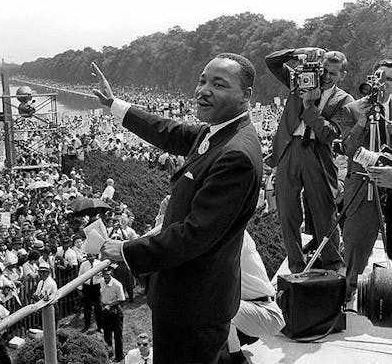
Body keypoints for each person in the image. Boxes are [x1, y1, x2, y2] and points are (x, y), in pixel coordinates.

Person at [93, 52, 262, 364]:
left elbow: (194, 235)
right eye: (202, 81)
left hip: (195, 304)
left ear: (245, 96)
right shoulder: (218, 131)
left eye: (219, 84)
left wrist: (127, 250)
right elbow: (167, 131)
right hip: (188, 296)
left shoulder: (235, 154)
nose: (204, 90)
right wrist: (115, 105)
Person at [265, 47, 353, 273]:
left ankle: (333, 264)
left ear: (342, 75)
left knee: (324, 210)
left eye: (332, 74)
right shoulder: (299, 81)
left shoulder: (344, 100)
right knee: (287, 211)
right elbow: (271, 61)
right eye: (324, 70)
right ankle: (296, 265)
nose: (325, 76)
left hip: (317, 153)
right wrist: (297, 52)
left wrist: (308, 107)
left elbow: (329, 134)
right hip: (289, 149)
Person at [338, 59, 392, 302]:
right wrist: (362, 122)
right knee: (356, 242)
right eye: (381, 78)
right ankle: (348, 291)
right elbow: (347, 148)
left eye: (390, 80)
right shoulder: (353, 109)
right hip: (362, 186)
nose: (385, 84)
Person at [228, 231, 285, 363]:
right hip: (250, 308)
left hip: (266, 312)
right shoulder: (230, 229)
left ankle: (237, 359)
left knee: (218, 307)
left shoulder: (232, 237)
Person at [100, 266, 125, 363]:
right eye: (104, 274)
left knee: (117, 335)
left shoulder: (117, 285)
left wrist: (110, 305)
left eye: (108, 274)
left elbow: (122, 299)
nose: (106, 276)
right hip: (105, 310)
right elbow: (102, 293)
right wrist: (103, 304)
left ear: (111, 274)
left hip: (115, 311)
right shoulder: (102, 282)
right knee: (107, 334)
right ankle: (109, 353)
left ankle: (119, 356)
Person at [77, 253, 103, 333]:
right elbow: (80, 276)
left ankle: (100, 327)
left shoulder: (99, 264)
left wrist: (102, 289)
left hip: (96, 287)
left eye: (91, 256)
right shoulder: (84, 265)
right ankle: (86, 326)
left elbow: (101, 277)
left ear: (95, 256)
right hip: (87, 287)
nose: (90, 258)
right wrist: (80, 289)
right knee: (86, 308)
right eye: (88, 256)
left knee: (98, 308)